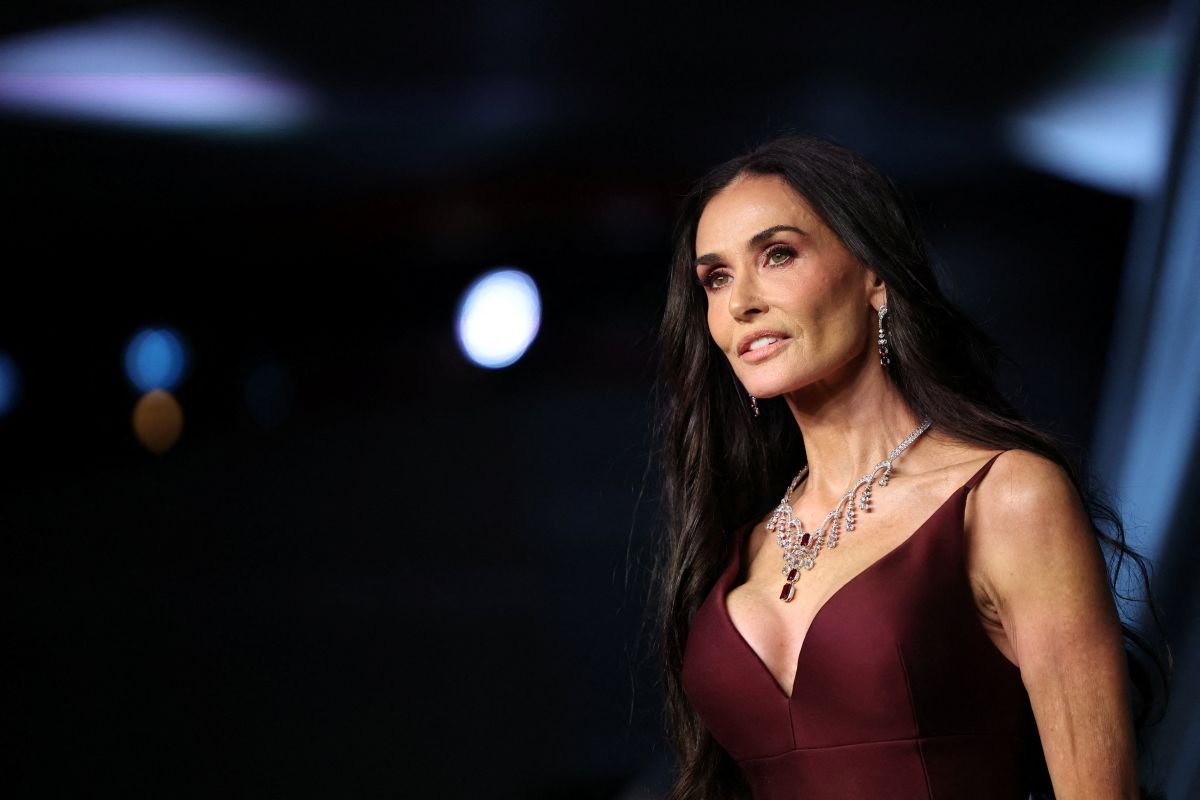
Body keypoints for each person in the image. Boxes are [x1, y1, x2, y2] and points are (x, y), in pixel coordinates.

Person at [653, 136, 1169, 799]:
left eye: (777, 254)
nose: (739, 303)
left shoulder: (1007, 496)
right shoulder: (737, 540)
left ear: (874, 275)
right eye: (716, 278)